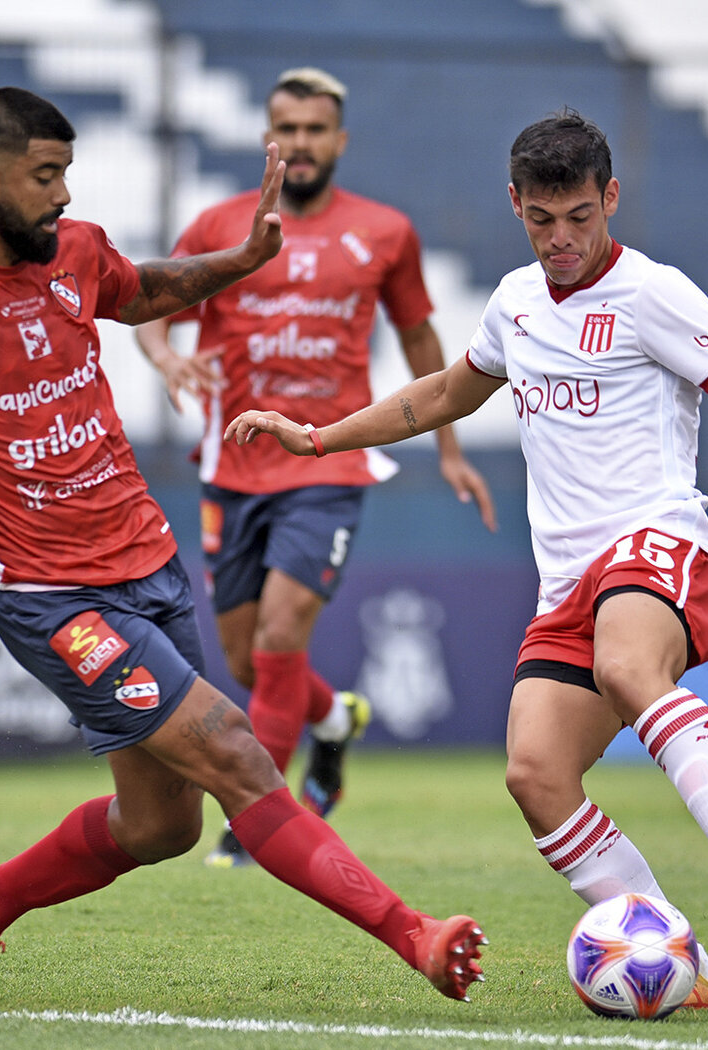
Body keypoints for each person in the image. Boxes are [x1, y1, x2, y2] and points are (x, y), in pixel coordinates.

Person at [0, 86, 485, 1005]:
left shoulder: (72, 253)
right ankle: (416, 934)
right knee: (236, 749)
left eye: (69, 173)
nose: (65, 196)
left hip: (148, 566)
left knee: (161, 825)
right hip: (51, 598)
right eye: (46, 177)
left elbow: (146, 289)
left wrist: (240, 259)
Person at [226, 109, 708, 1006]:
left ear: (611, 199)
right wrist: (320, 438)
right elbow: (447, 393)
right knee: (535, 772)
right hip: (568, 580)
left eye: (580, 219)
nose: (562, 241)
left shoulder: (655, 294)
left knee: (629, 664)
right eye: (542, 221)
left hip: (659, 540)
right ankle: (685, 967)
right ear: (516, 204)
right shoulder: (515, 302)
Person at [135, 67, 495, 866]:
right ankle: (332, 721)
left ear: (339, 141)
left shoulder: (386, 232)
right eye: (285, 129)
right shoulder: (219, 225)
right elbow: (150, 310)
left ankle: (255, 824)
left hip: (328, 462)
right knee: (247, 660)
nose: (298, 144)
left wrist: (448, 448)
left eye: (313, 130)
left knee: (280, 632)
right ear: (269, 136)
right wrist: (165, 358)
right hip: (232, 465)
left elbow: (424, 343)